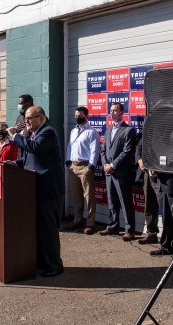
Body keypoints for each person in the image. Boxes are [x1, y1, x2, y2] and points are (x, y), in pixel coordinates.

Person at [7, 106, 65, 277]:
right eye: (25, 118)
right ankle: (42, 261)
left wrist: (15, 136)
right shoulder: (33, 134)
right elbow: (27, 159)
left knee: (48, 230)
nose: (26, 122)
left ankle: (54, 265)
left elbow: (36, 148)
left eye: (30, 118)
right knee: (39, 229)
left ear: (41, 118)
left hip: (49, 190)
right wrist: (12, 164)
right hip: (36, 188)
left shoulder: (48, 132)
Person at [99, 103, 137, 241]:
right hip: (109, 172)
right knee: (112, 201)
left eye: (115, 110)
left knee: (125, 201)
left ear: (122, 112)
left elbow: (126, 152)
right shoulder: (108, 130)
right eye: (110, 110)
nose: (112, 113)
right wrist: (105, 165)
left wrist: (113, 165)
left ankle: (129, 230)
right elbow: (103, 150)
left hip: (121, 172)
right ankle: (112, 226)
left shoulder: (129, 130)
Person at [63, 106, 100, 235]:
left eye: (79, 116)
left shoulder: (91, 132)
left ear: (86, 116)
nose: (77, 118)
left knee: (89, 196)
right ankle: (78, 220)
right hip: (73, 167)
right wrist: (68, 161)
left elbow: (95, 151)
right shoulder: (73, 131)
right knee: (76, 195)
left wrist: (91, 167)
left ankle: (90, 223)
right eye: (76, 116)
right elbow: (69, 146)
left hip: (85, 167)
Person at [149, 172, 173, 256]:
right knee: (166, 219)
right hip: (161, 184)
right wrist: (153, 169)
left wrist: (161, 169)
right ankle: (166, 247)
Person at [135, 139, 160, 244]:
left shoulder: (166, 128)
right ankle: (152, 234)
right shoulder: (149, 128)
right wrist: (140, 161)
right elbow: (139, 148)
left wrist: (158, 168)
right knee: (149, 205)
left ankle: (170, 239)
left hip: (161, 175)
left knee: (166, 207)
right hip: (147, 174)